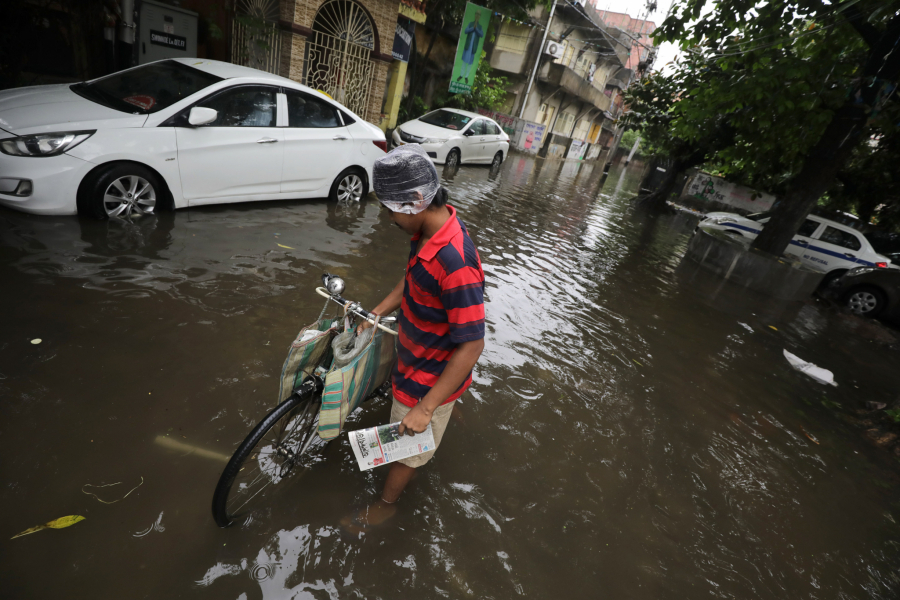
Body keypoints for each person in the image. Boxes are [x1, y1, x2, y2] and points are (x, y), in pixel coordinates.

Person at [343, 145, 485, 532]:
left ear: (416, 202)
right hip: (414, 356)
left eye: (392, 210)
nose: (389, 218)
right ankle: (436, 415)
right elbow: (413, 279)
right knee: (414, 426)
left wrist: (425, 408)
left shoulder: (456, 264)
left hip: (426, 380)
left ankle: (386, 505)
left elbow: (472, 344)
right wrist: (377, 313)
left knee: (407, 446)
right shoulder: (428, 235)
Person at [457, 11, 484, 84]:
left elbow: (481, 34)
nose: (477, 16)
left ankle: (466, 77)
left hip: (473, 48)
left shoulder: (480, 27)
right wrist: (473, 28)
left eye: (479, 15)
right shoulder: (471, 23)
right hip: (468, 46)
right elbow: (466, 31)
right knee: (464, 62)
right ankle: (461, 75)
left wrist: (476, 29)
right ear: (475, 15)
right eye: (476, 14)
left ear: (480, 16)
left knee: (470, 63)